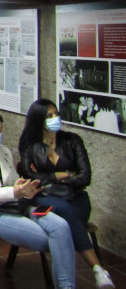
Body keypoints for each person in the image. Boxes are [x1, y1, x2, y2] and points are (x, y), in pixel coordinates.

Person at [0, 107, 76, 289]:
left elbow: (14, 181)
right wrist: (13, 192)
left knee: (61, 227)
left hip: (18, 204)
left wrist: (27, 187)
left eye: (0, 131)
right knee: (52, 240)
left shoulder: (4, 152)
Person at [18, 99, 114, 288]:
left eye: (56, 114)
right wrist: (61, 175)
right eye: (49, 116)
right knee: (61, 212)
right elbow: (30, 176)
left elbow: (85, 176)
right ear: (39, 121)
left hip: (76, 199)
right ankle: (98, 269)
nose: (55, 118)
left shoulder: (72, 140)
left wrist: (52, 180)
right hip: (46, 199)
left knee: (65, 214)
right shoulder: (30, 146)